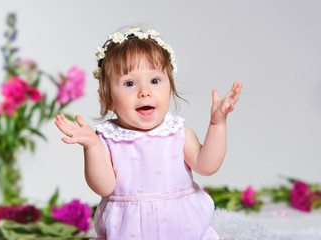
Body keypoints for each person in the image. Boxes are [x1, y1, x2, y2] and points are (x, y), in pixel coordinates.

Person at [55, 28, 242, 239]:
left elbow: (207, 166)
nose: (144, 91)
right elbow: (104, 187)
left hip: (183, 230)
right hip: (129, 232)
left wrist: (217, 125)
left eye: (155, 81)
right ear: (107, 98)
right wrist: (91, 147)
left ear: (169, 86)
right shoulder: (108, 139)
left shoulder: (177, 132)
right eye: (129, 83)